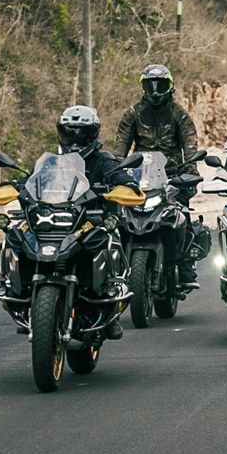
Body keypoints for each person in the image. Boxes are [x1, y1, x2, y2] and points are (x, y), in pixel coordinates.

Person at [115, 63, 205, 288]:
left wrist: (190, 171)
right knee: (118, 217)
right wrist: (115, 170)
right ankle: (116, 265)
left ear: (169, 87)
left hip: (172, 175)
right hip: (139, 175)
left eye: (160, 85)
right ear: (143, 87)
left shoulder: (179, 114)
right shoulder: (133, 113)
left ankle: (185, 265)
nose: (155, 91)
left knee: (181, 215)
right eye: (150, 85)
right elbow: (120, 147)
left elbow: (190, 145)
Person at [55, 105, 140, 340]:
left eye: (81, 134)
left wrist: (127, 184)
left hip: (93, 221)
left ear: (92, 135)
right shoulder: (53, 162)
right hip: (60, 222)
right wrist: (20, 185)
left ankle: (111, 306)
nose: (74, 140)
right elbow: (35, 180)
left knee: (113, 240)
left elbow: (118, 175)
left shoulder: (103, 160)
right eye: (69, 133)